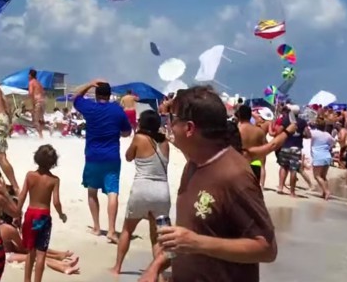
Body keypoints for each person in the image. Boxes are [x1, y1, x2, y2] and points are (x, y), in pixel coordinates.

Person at [141, 86, 277, 282]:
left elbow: (266, 248)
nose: (168, 126)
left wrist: (197, 243)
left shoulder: (235, 176)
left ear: (189, 128)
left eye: (172, 119)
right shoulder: (193, 165)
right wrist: (156, 267)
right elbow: (186, 237)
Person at [111, 109, 170, 275]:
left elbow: (129, 156)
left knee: (127, 230)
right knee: (157, 236)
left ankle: (117, 268)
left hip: (142, 189)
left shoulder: (139, 138)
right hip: (162, 191)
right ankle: (157, 272)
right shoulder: (165, 141)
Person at [71, 79, 131, 243]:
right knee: (113, 192)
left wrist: (89, 84)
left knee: (92, 191)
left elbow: (76, 98)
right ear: (110, 95)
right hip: (111, 156)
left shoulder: (90, 108)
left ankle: (97, 227)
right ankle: (111, 231)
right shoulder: (117, 110)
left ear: (96, 95)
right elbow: (126, 132)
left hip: (92, 156)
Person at [17, 145, 66, 282]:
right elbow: (56, 202)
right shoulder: (54, 180)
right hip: (44, 216)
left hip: (31, 214)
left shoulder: (30, 176)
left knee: (30, 252)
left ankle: (27, 280)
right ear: (53, 162)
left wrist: (16, 213)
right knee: (41, 253)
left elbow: (22, 196)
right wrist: (61, 214)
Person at [235, 105, 267, 184]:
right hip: (255, 164)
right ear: (250, 116)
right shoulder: (259, 131)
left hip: (240, 164)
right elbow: (265, 147)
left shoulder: (237, 130)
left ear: (239, 115)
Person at [309, 121, 336, 201]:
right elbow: (333, 142)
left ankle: (327, 191)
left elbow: (306, 133)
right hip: (327, 155)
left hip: (318, 155)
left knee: (317, 176)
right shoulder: (327, 134)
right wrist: (328, 146)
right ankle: (324, 193)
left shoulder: (314, 132)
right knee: (323, 176)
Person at [28, 70, 46, 139]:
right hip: (43, 101)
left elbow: (31, 93)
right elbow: (43, 92)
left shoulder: (31, 82)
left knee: (35, 120)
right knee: (41, 119)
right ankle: (44, 131)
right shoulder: (39, 83)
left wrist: (32, 104)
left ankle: (41, 136)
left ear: (30, 75)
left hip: (37, 101)